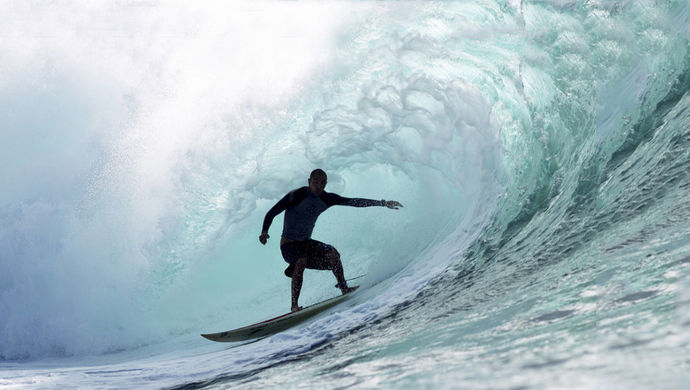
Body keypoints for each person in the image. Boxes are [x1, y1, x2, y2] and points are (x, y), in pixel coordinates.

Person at [259, 169, 403, 312]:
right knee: (301, 260)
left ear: (326, 184)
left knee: (333, 254)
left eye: (322, 183)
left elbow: (353, 202)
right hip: (288, 245)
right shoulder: (297, 195)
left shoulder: (327, 199)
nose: (318, 186)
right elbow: (272, 212)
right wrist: (264, 231)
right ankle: (294, 306)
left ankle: (344, 288)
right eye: (315, 182)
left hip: (305, 244)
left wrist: (382, 203)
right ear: (309, 182)